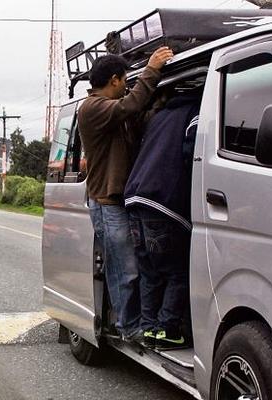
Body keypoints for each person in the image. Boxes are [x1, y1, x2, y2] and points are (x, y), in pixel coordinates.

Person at [78, 47, 173, 340]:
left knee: (137, 267)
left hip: (124, 200)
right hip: (107, 204)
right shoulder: (93, 108)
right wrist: (152, 70)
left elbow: (136, 115)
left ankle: (134, 323)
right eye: (124, 81)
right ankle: (129, 327)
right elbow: (129, 107)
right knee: (126, 270)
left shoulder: (110, 113)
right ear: (116, 80)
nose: (126, 86)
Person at [125, 92, 201, 349]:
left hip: (135, 200)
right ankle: (167, 328)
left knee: (150, 271)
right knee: (177, 271)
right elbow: (193, 154)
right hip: (163, 203)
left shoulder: (159, 117)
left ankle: (149, 329)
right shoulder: (195, 113)